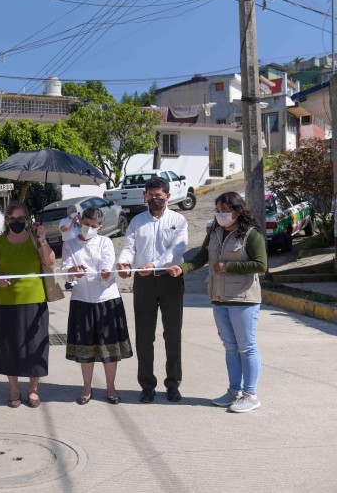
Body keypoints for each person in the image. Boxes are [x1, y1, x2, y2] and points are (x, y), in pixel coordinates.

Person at [168, 192, 267, 413]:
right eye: (218, 210)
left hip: (243, 299)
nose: (220, 214)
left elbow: (261, 265)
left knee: (247, 347)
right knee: (230, 348)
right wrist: (181, 269)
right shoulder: (215, 232)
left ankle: (250, 395)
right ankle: (234, 391)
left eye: (225, 210)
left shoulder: (251, 235)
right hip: (218, 298)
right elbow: (200, 258)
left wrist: (229, 266)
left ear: (238, 212)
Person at [116, 177, 188, 403]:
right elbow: (129, 246)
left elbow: (177, 249)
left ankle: (173, 383)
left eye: (159, 196)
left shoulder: (179, 220)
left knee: (172, 333)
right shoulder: (137, 221)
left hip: (170, 279)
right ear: (144, 196)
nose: (155, 200)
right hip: (144, 282)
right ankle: (147, 385)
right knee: (144, 336)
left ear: (168, 196)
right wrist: (125, 263)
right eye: (150, 195)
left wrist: (155, 265)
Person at [0, 201, 54, 408]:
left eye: (21, 219)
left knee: (35, 347)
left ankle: (33, 390)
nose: (16, 222)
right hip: (7, 301)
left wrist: (43, 240)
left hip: (35, 299)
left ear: (28, 219)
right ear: (6, 220)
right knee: (10, 347)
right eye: (12, 219)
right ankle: (14, 389)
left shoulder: (34, 239)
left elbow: (50, 262)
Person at [63, 208, 132, 405]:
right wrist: (73, 270)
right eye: (86, 224)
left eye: (93, 226)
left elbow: (107, 266)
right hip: (81, 299)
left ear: (100, 227)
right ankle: (86, 387)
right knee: (86, 348)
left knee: (109, 348)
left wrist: (105, 272)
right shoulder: (69, 244)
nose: (89, 229)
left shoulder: (105, 242)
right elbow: (66, 267)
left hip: (106, 299)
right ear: (79, 222)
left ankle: (111, 387)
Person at [59, 204, 80, 291]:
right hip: (67, 245)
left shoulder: (78, 222)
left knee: (77, 262)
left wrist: (79, 221)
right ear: (68, 212)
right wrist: (72, 221)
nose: (73, 213)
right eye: (72, 212)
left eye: (75, 211)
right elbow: (63, 229)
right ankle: (69, 282)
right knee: (68, 263)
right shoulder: (64, 220)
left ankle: (77, 280)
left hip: (78, 244)